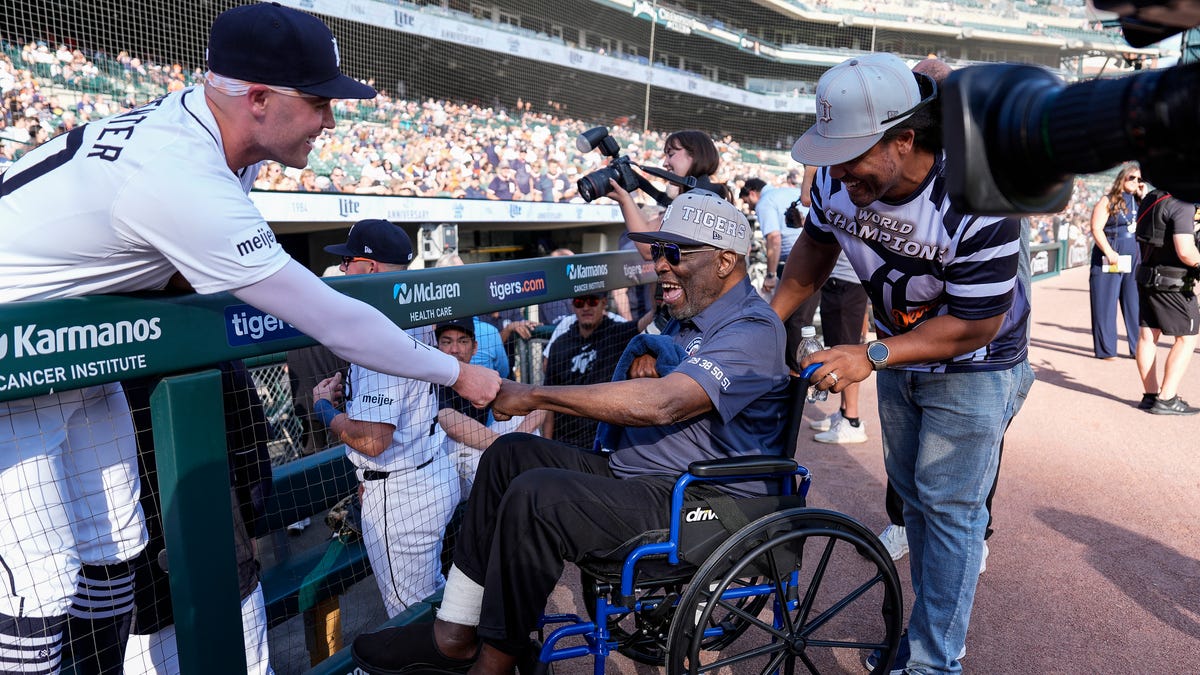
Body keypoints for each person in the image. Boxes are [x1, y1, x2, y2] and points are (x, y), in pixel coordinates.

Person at [0, 6, 498, 671]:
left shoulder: (212, 135)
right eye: (319, 100)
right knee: (40, 582)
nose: (331, 119)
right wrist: (455, 373)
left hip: (80, 357)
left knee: (116, 539)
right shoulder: (182, 171)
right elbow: (334, 318)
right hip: (15, 362)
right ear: (259, 99)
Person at [349, 190, 789, 675]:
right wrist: (652, 350)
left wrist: (536, 394)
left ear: (726, 261)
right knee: (510, 455)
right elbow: (660, 365)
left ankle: (495, 661)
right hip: (641, 474)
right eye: (658, 251)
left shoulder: (753, 326)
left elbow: (665, 403)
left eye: (673, 253)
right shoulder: (685, 315)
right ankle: (453, 632)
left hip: (702, 499)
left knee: (538, 496)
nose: (660, 264)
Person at [774, 53, 1033, 674]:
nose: (835, 171)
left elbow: (974, 326)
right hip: (896, 350)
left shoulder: (982, 195)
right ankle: (926, 639)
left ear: (905, 139)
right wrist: (764, 320)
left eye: (852, 154)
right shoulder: (843, 178)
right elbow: (815, 243)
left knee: (949, 507)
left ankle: (934, 663)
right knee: (915, 501)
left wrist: (873, 354)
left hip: (979, 359)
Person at [311, 219, 461, 618]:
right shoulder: (411, 311)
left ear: (370, 267)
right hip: (426, 473)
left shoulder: (380, 330)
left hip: (403, 494)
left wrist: (325, 408)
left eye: (348, 262)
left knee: (409, 617)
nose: (343, 270)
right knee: (432, 595)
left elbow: (374, 440)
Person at [120, 362, 274, 675]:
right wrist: (251, 527)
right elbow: (253, 454)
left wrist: (251, 528)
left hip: (187, 561)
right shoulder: (199, 321)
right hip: (162, 571)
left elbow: (252, 446)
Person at [434, 319, 545, 491]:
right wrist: (507, 446)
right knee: (465, 450)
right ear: (436, 347)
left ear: (474, 348)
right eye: (446, 342)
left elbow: (539, 406)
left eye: (463, 341)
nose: (454, 350)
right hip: (443, 473)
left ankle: (529, 492)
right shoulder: (431, 381)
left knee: (519, 424)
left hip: (482, 455)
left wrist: (517, 437)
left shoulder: (479, 377)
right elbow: (451, 423)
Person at [542, 293, 652, 449]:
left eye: (592, 301)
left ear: (603, 303)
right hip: (565, 442)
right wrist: (548, 446)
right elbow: (549, 403)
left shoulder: (616, 333)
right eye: (580, 302)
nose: (586, 307)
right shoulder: (560, 344)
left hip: (603, 443)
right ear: (573, 306)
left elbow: (648, 321)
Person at [607, 130, 724, 261]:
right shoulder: (698, 197)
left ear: (695, 155)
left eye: (671, 154)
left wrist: (624, 199)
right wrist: (624, 192)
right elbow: (647, 229)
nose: (665, 163)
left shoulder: (700, 202)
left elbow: (649, 249)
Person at [1133, 191, 1200, 415]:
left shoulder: (1151, 197)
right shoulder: (1183, 204)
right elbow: (1185, 250)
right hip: (1173, 283)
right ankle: (1167, 398)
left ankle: (1150, 395)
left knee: (1148, 335)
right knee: (1187, 338)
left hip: (1146, 275)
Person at [1089, 164, 1146, 360]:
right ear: (1121, 178)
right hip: (1110, 255)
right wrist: (1108, 250)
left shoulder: (1140, 203)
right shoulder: (1108, 200)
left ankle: (1138, 348)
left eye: (1139, 179)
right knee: (1105, 304)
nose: (1136, 182)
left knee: (1135, 303)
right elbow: (1096, 228)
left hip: (1134, 256)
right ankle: (1107, 350)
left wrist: (1144, 196)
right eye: (1132, 178)